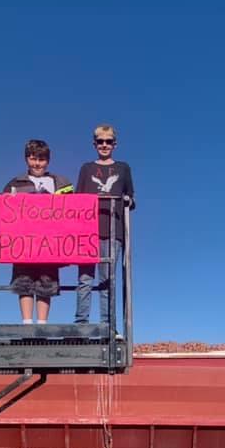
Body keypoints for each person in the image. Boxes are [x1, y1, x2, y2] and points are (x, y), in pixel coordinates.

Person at [4, 139, 73, 324]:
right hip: (23, 243)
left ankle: (42, 324)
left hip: (50, 243)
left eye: (41, 159)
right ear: (26, 159)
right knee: (24, 281)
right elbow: (5, 212)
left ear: (48, 160)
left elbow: (73, 209)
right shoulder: (15, 183)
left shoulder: (61, 182)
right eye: (33, 158)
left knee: (46, 282)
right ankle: (27, 322)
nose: (37, 163)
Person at [74, 124, 135, 326]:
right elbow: (77, 200)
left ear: (115, 144)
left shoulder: (123, 168)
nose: (104, 145)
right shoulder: (86, 168)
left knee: (107, 280)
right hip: (87, 231)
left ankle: (108, 326)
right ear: (94, 144)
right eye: (100, 141)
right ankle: (81, 323)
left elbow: (131, 198)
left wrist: (127, 200)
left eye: (108, 141)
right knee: (85, 279)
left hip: (113, 231)